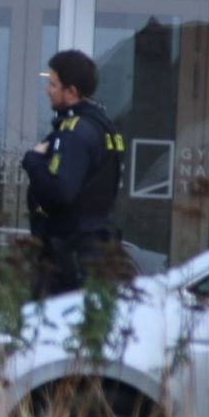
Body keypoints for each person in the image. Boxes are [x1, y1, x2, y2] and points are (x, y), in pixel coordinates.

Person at [21, 49, 124, 298]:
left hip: (72, 251)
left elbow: (60, 191)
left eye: (53, 84)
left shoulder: (76, 132)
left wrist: (33, 161)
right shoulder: (104, 126)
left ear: (71, 92)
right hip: (94, 242)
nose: (48, 90)